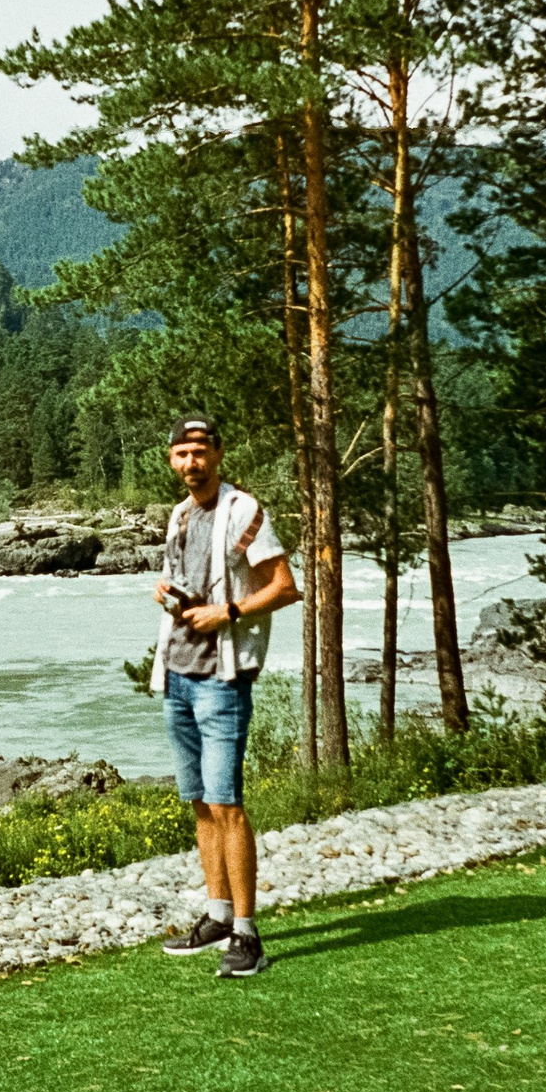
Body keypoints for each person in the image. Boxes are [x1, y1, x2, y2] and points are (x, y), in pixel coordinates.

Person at [147, 413, 299, 978]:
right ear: (172, 460)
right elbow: (181, 580)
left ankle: (248, 933)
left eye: (201, 452)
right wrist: (163, 589)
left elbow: (286, 587)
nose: (192, 462)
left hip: (222, 678)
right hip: (179, 674)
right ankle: (216, 914)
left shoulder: (244, 512)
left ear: (219, 454)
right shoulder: (181, 516)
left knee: (228, 805)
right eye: (182, 454)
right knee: (200, 804)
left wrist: (229, 611)